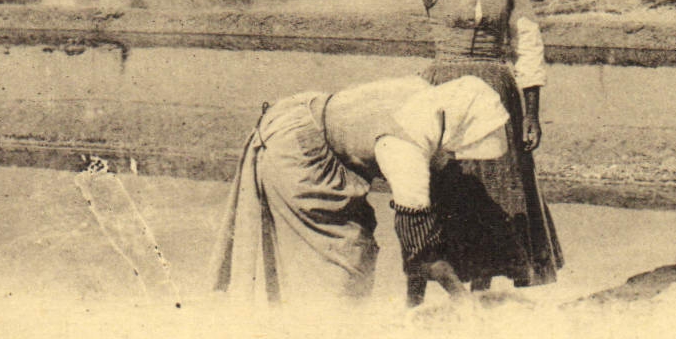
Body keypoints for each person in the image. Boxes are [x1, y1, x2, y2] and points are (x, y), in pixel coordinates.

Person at [370, 0, 563, 291]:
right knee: (444, 189)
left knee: (499, 190)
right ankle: (437, 288)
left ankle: (485, 289)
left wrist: (532, 114)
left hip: (497, 99)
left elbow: (529, 45)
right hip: (443, 95)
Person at [211, 70, 510, 304]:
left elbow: (417, 245)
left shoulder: (426, 94)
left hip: (307, 118)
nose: (457, 157)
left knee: (352, 249)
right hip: (297, 150)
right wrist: (461, 301)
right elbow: (420, 249)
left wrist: (414, 302)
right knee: (344, 259)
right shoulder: (405, 148)